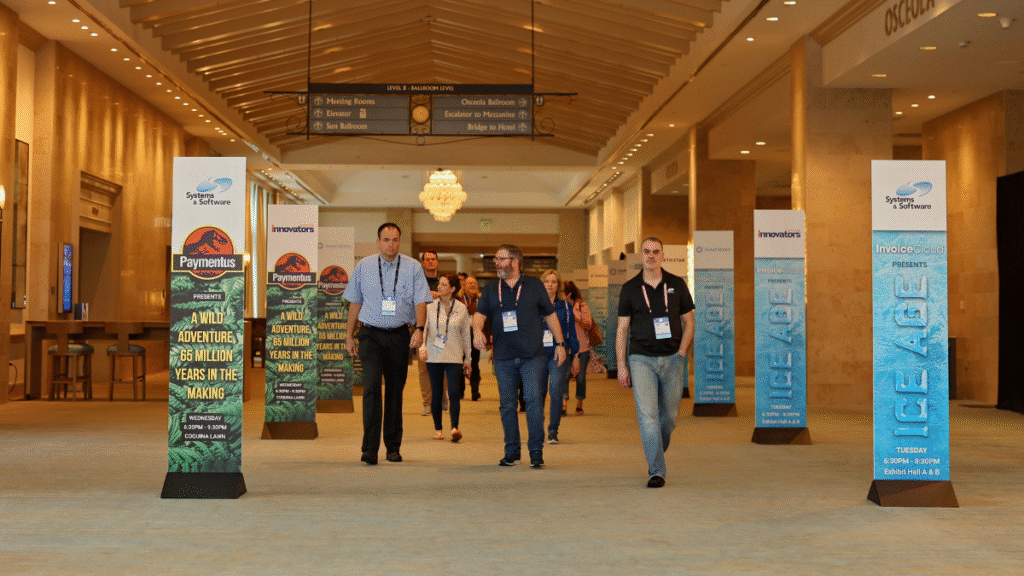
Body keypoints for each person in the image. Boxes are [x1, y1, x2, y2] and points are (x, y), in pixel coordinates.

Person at [344, 223, 432, 465]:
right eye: (386, 239)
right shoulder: (364, 266)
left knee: (395, 391)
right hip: (370, 335)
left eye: (394, 240)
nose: (390, 244)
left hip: (399, 336)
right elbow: (354, 302)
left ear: (399, 242)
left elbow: (421, 302)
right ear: (378, 241)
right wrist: (349, 335)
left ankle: (393, 447)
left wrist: (420, 330)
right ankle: (369, 449)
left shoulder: (413, 266)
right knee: (371, 387)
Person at [474, 244, 566, 468]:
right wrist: (477, 330)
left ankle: (536, 452)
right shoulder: (490, 288)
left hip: (532, 357)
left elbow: (551, 316)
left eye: (501, 259)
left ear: (515, 262)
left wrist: (560, 343)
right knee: (507, 405)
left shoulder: (534, 285)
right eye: (496, 258)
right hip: (503, 358)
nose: (496, 262)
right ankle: (512, 451)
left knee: (534, 402)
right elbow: (479, 315)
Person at [616, 237, 695, 488]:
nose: (651, 255)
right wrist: (621, 365)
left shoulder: (677, 284)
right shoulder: (629, 288)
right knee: (648, 417)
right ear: (641, 256)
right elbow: (622, 329)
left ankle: (655, 452)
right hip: (641, 359)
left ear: (663, 256)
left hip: (673, 358)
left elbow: (689, 322)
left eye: (655, 252)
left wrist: (682, 352)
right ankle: (657, 470)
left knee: (668, 417)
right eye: (646, 252)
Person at [419, 273, 472, 442]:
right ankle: (438, 429)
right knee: (437, 392)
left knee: (454, 392)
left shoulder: (461, 308)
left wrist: (468, 358)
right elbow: (424, 329)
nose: (439, 287)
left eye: (443, 284)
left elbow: (466, 335)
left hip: (455, 355)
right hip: (434, 355)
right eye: (439, 284)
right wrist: (422, 348)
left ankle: (455, 428)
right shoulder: (430, 307)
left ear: (452, 289)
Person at [539, 269, 579, 444]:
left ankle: (553, 430)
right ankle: (537, 429)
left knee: (556, 391)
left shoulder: (565, 307)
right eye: (547, 281)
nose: (550, 284)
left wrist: (576, 355)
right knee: (537, 394)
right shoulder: (534, 304)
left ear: (558, 285)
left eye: (553, 282)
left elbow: (571, 331)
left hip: (559, 353)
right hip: (537, 354)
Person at [417, 250, 447, 416]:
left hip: (441, 330)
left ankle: (442, 395)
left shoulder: (444, 281)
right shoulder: (417, 281)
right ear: (423, 262)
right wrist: (430, 296)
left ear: (437, 262)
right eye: (427, 259)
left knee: (441, 364)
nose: (430, 262)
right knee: (424, 368)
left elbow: (451, 299)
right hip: (421, 330)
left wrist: (440, 295)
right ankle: (427, 403)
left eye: (433, 259)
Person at [563, 280, 592, 415]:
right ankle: (564, 404)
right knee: (565, 375)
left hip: (582, 348)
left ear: (568, 294)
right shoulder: (559, 306)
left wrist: (577, 318)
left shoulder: (582, 306)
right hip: (565, 348)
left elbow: (588, 325)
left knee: (580, 377)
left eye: (562, 292)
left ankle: (579, 403)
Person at [459, 276, 483, 401]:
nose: (472, 285)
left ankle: (475, 390)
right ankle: (460, 390)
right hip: (460, 334)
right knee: (460, 362)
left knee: (474, 362)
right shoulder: (459, 299)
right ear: (464, 286)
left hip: (475, 333)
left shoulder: (481, 299)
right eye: (469, 283)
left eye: (474, 283)